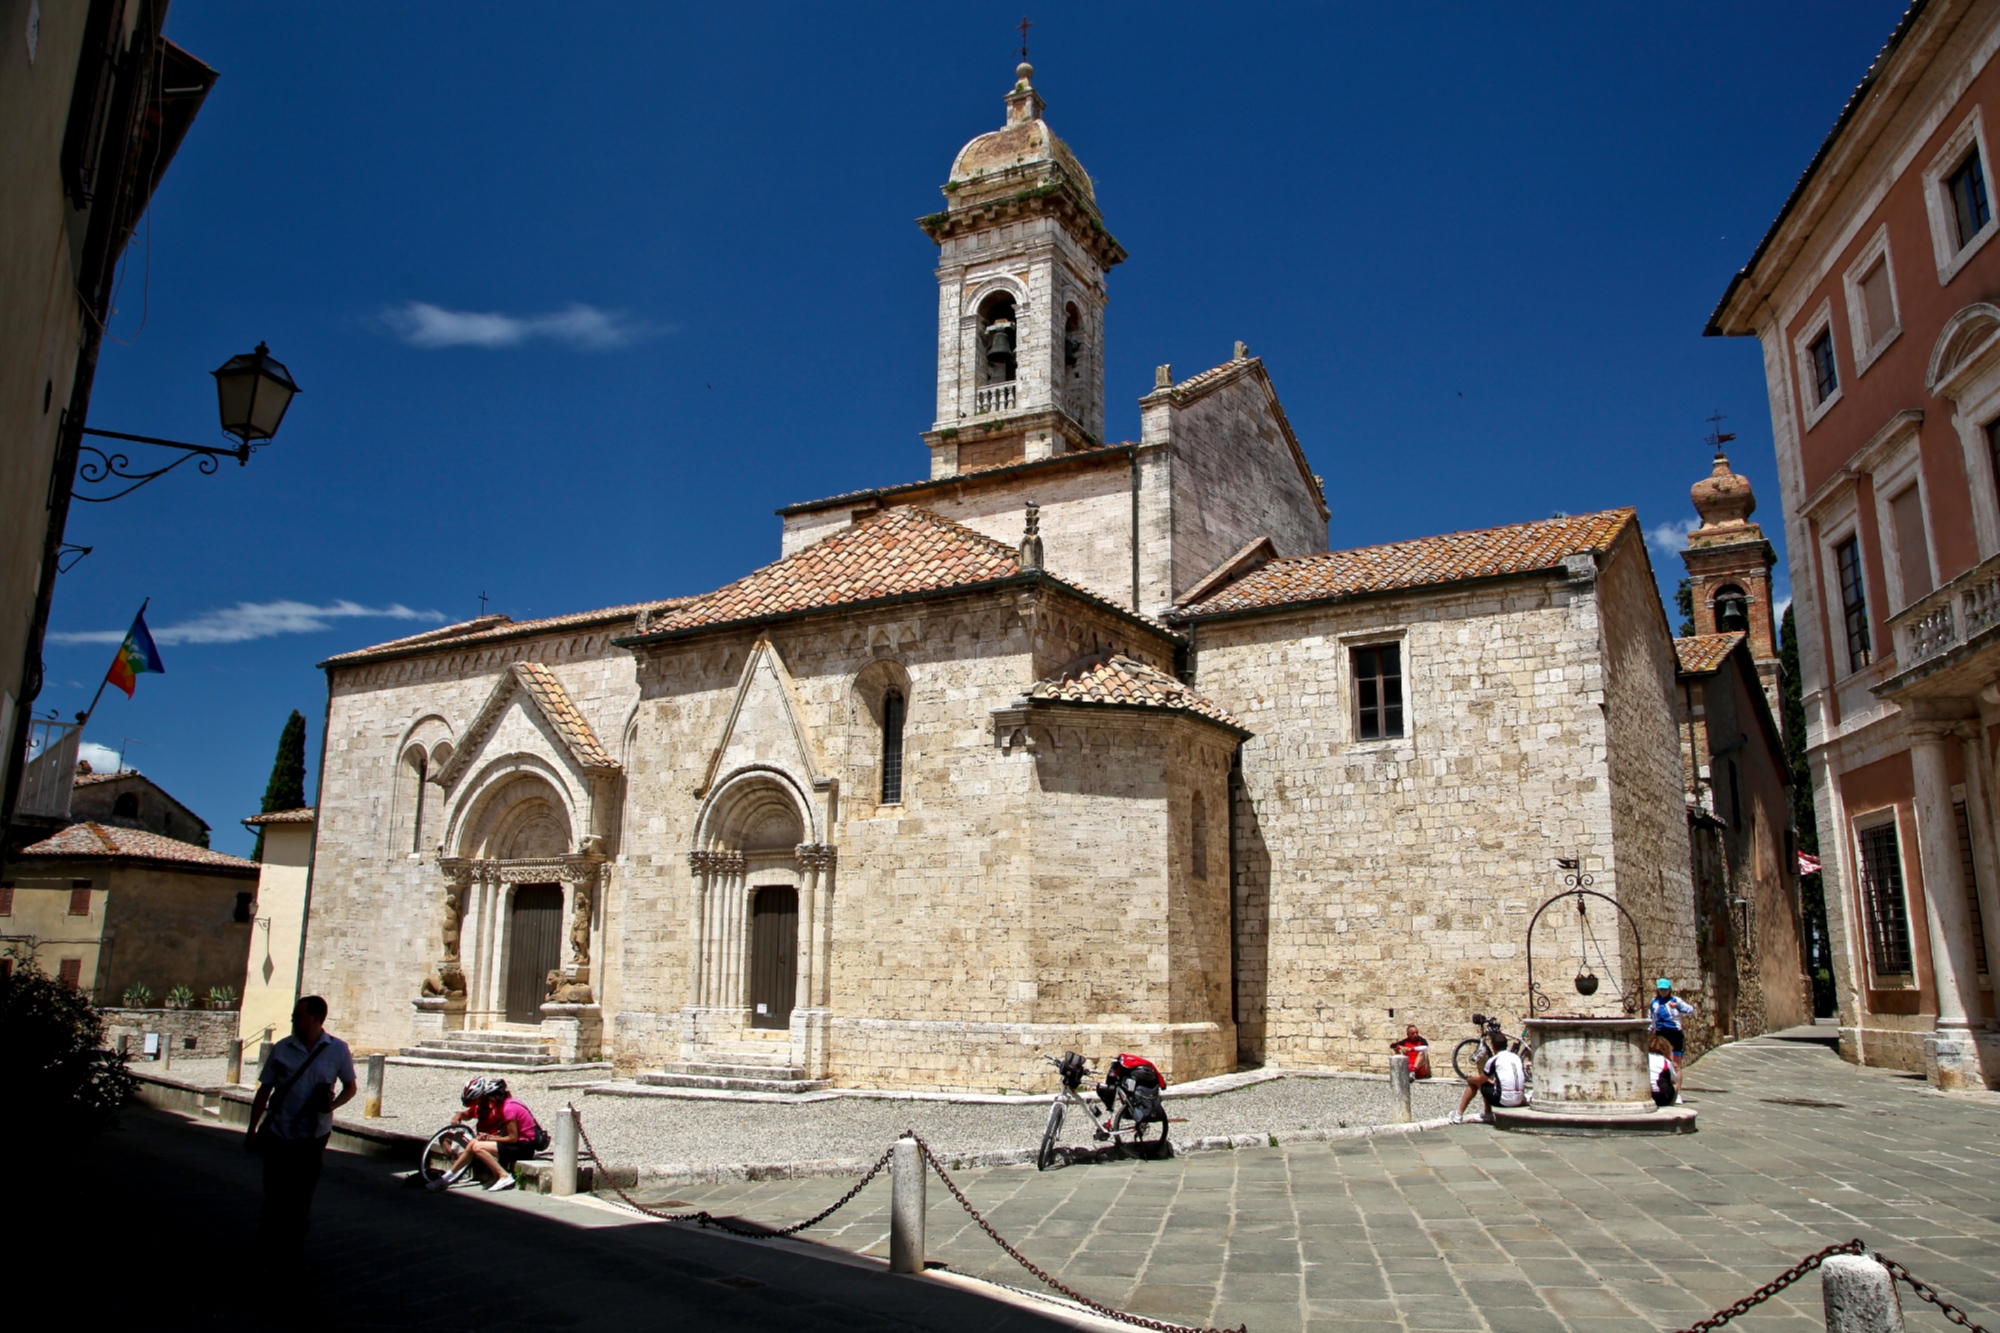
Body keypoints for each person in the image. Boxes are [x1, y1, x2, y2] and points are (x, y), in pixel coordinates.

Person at [245, 996, 358, 1254]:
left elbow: (350, 1087)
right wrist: (252, 1130)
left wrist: (333, 1106)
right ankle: (266, 1245)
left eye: (299, 1017)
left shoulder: (338, 1049)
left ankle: (291, 1248)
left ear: (316, 1018)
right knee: (274, 1194)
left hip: (313, 1136)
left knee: (302, 1196)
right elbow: (264, 1091)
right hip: (279, 1132)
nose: (294, 1021)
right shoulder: (283, 1048)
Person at [431, 1077, 543, 1192]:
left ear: (496, 1096)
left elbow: (512, 1138)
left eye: (490, 1097)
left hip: (524, 1147)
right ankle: (447, 1178)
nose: (489, 1100)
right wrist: (488, 1138)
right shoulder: (507, 1104)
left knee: (477, 1146)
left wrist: (490, 1138)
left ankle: (504, 1176)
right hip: (519, 1144)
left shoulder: (508, 1108)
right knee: (475, 1143)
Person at [1451, 1041, 1527, 1123]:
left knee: (1475, 1082)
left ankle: (1459, 1115)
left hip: (1504, 1101)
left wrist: (1469, 1079)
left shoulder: (1494, 1059)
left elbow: (1481, 1080)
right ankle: (1486, 1113)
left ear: (1493, 1047)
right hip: (1519, 1099)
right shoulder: (1516, 1057)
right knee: (1487, 1082)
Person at [1650, 978, 1696, 1077]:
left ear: (1670, 989)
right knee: (1662, 1063)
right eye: (1661, 990)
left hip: (1675, 1035)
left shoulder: (1675, 1000)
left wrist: (1678, 1007)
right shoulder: (1654, 1002)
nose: (1663, 992)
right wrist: (1648, 1031)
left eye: (1665, 990)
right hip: (1661, 1034)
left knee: (1675, 1065)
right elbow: (1651, 1018)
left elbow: (1690, 1010)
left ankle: (1677, 1090)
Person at [1647, 1033, 1679, 1108]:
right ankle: (1671, 1105)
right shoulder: (1666, 1062)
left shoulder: (1643, 1058)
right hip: (1662, 1097)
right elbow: (1674, 1079)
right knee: (1675, 1084)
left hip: (1647, 1096)